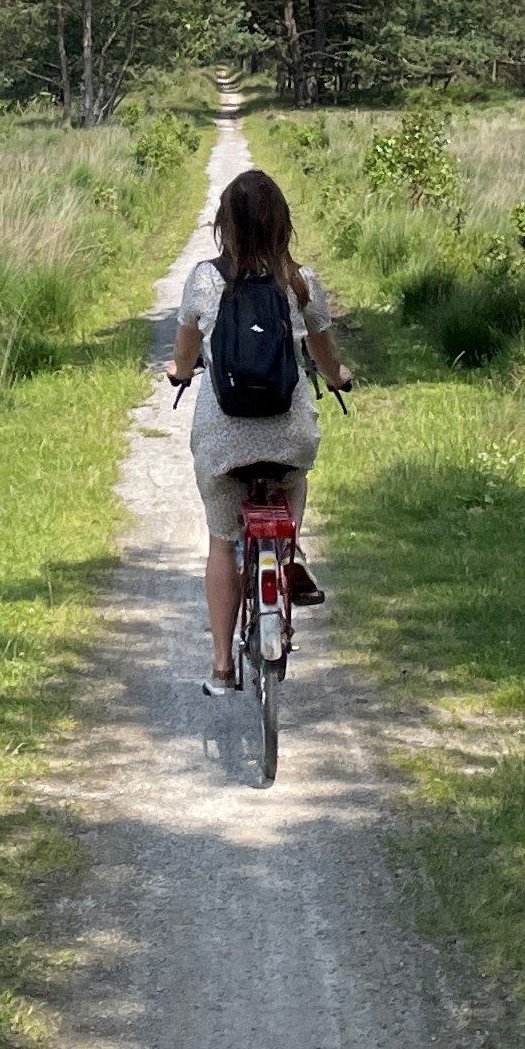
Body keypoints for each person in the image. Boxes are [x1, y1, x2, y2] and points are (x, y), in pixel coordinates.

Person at [167, 166, 356, 692]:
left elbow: (183, 359)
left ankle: (223, 666)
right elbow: (325, 357)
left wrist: (180, 373)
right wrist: (338, 377)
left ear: (225, 225)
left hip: (223, 442)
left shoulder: (205, 280)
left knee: (223, 543)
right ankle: (288, 551)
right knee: (296, 475)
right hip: (287, 435)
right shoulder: (301, 283)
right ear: (282, 225)